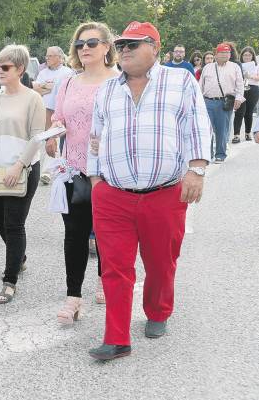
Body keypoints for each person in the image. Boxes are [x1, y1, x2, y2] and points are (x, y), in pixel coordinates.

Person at [87, 21, 212, 360]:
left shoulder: (180, 81)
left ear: (155, 47)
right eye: (121, 45)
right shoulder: (107, 90)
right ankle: (117, 337)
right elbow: (95, 139)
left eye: (133, 44)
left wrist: (196, 170)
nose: (124, 50)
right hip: (113, 195)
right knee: (114, 267)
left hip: (165, 194)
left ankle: (157, 311)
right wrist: (96, 181)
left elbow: (197, 125)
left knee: (160, 263)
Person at [48, 22, 119, 322]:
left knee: (108, 235)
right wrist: (52, 132)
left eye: (92, 43)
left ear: (107, 47)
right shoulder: (67, 82)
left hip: (110, 174)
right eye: (80, 44)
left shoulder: (120, 82)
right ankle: (73, 297)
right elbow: (59, 117)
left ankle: (106, 280)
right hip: (74, 171)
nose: (85, 48)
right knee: (74, 236)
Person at [0, 45, 45, 303]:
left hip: (21, 170)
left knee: (14, 225)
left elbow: (37, 137)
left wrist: (19, 165)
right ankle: (19, 256)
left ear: (20, 69)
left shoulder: (32, 98)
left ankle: (9, 279)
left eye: (5, 67)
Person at [33, 46, 75, 185]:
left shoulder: (68, 73)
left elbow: (45, 89)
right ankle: (48, 170)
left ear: (59, 57)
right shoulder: (43, 72)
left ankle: (48, 172)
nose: (47, 58)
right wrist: (46, 87)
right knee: (47, 139)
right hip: (44, 110)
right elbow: (37, 89)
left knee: (55, 139)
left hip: (62, 111)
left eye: (50, 56)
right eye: (47, 56)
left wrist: (45, 87)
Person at [199, 43, 245, 163]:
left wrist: (239, 99)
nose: (225, 55)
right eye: (222, 52)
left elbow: (240, 84)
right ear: (216, 54)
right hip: (208, 101)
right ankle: (207, 155)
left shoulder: (235, 67)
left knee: (222, 130)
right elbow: (200, 85)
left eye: (227, 52)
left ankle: (220, 154)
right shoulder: (207, 67)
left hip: (224, 102)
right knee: (206, 130)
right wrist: (199, 101)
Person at [233, 47, 259, 142]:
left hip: (253, 89)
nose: (247, 57)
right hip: (240, 89)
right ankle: (236, 135)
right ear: (241, 56)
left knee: (249, 113)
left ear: (252, 56)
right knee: (239, 112)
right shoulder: (237, 65)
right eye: (245, 55)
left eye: (249, 55)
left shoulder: (257, 65)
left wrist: (250, 76)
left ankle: (247, 133)